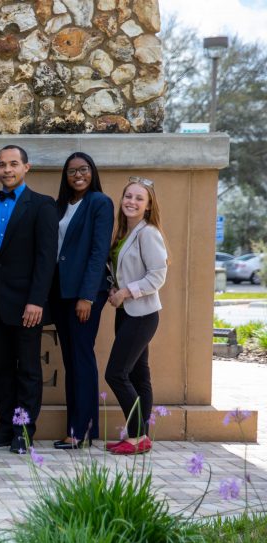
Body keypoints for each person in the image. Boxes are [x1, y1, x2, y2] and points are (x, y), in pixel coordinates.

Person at [0, 145, 58, 454]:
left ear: (26, 167)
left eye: (13, 164)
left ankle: (24, 430)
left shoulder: (43, 206)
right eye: (1, 165)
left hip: (27, 306)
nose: (7, 170)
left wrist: (37, 301)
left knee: (28, 369)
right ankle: (5, 426)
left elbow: (46, 259)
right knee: (2, 367)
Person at [50, 153, 114, 449]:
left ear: (92, 171)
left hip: (84, 296)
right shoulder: (61, 205)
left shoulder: (99, 203)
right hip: (61, 294)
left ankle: (82, 430)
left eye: (84, 169)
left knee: (82, 359)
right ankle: (76, 428)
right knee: (71, 361)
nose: (78, 175)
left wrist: (87, 296)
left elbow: (98, 252)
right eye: (72, 170)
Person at [105, 177, 168, 455]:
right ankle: (141, 437)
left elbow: (157, 276)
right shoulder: (124, 233)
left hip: (142, 314)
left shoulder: (148, 233)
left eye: (138, 198)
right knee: (140, 376)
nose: (131, 202)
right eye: (127, 196)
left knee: (116, 374)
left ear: (148, 204)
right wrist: (114, 290)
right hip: (127, 314)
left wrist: (126, 293)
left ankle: (137, 435)